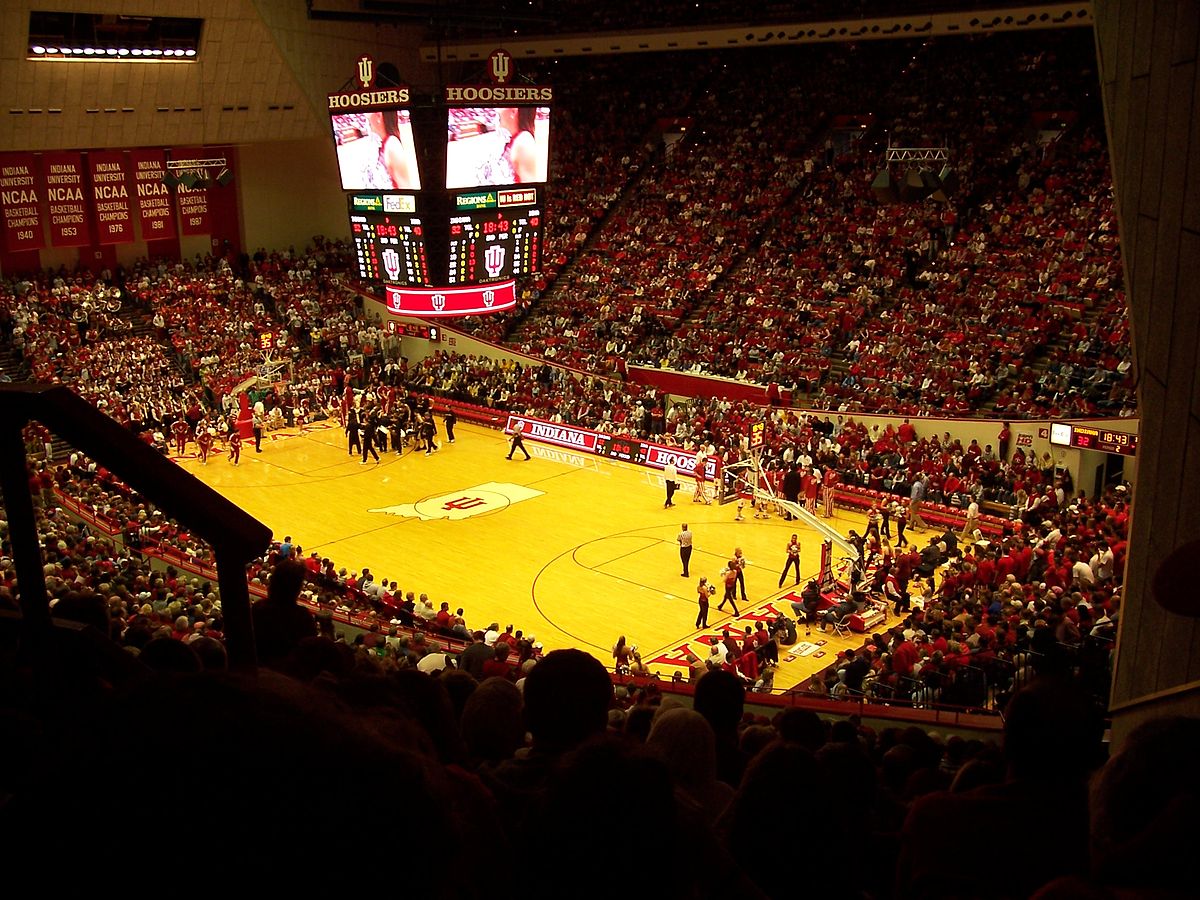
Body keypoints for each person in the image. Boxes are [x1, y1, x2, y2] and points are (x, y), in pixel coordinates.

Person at [498, 106, 539, 183]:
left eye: (501, 106)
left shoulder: (523, 141)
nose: (498, 111)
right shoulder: (514, 140)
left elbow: (530, 189)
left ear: (513, 111)